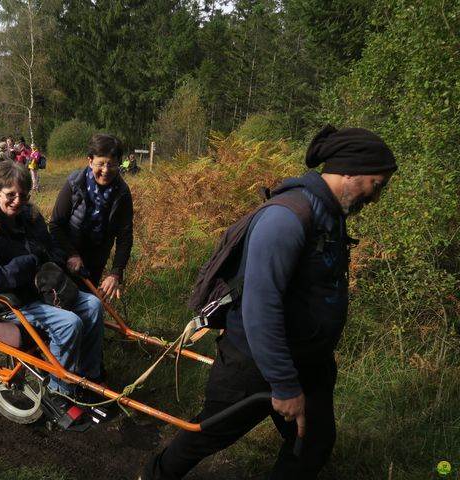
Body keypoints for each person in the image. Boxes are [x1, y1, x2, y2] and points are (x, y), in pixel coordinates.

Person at [140, 125, 397, 479]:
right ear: (350, 170)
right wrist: (285, 385)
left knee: (314, 443)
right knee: (210, 433)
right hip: (255, 365)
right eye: (376, 185)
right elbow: (260, 309)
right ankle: (155, 474)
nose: (377, 197)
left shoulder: (331, 216)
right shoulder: (286, 219)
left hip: (309, 360)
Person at [0, 161, 105, 405]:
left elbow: (47, 248)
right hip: (7, 301)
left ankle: (88, 377)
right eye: (10, 195)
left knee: (93, 306)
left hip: (38, 290)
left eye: (23, 195)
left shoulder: (29, 217)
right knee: (69, 323)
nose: (18, 201)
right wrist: (25, 266)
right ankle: (59, 394)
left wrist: (57, 261)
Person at [49, 134, 133, 301]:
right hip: (63, 257)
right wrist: (71, 254)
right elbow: (55, 225)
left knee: (87, 304)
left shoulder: (122, 193)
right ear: (90, 161)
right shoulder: (74, 183)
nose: (106, 170)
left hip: (95, 260)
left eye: (112, 165)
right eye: (101, 164)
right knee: (61, 303)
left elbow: (125, 236)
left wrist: (116, 272)